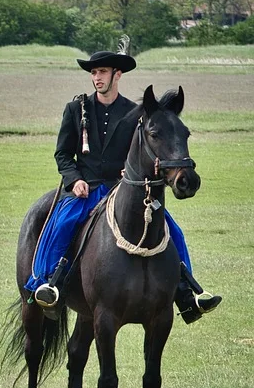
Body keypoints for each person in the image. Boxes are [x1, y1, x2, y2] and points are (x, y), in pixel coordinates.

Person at [25, 39, 221, 324]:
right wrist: (74, 179)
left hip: (124, 190)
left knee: (172, 230)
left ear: (117, 75)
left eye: (102, 72)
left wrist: (136, 175)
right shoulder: (75, 109)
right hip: (86, 190)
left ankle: (187, 293)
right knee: (62, 223)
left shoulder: (135, 114)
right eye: (93, 73)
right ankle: (47, 285)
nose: (97, 78)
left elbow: (145, 152)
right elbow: (63, 155)